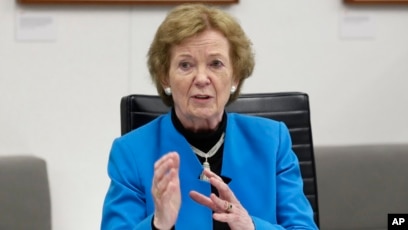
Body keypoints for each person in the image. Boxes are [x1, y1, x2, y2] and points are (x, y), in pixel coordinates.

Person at [101, 3, 318, 230]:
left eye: (216, 64)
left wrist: (251, 227)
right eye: (186, 65)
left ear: (235, 77)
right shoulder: (131, 153)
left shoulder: (273, 142)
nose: (202, 78)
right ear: (165, 78)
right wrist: (158, 225)